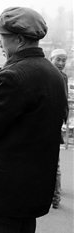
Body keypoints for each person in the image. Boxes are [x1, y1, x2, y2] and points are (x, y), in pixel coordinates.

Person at [0, 7, 68, 233]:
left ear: (19, 40)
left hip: (2, 196)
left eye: (2, 38)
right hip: (30, 194)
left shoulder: (12, 75)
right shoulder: (53, 74)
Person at [50, 48, 68, 209]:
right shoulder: (46, 75)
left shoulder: (62, 77)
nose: (61, 63)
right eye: (58, 60)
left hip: (52, 125)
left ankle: (55, 197)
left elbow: (64, 102)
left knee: (54, 162)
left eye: (64, 60)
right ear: (51, 59)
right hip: (46, 123)